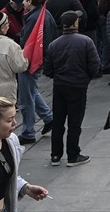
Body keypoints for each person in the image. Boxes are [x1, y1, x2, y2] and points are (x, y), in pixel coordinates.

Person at [42, 10, 98, 167]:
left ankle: (55, 155)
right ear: (75, 23)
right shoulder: (86, 41)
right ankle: (73, 155)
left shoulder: (54, 44)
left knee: (58, 121)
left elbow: (48, 69)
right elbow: (94, 64)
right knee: (75, 122)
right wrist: (86, 77)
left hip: (60, 85)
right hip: (78, 86)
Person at [16, 0, 54, 144]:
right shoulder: (45, 14)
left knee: (26, 98)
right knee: (31, 91)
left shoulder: (34, 18)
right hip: (40, 59)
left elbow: (28, 42)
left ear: (30, 1)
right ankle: (48, 117)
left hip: (30, 61)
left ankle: (28, 132)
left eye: (24, 0)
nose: (23, 2)